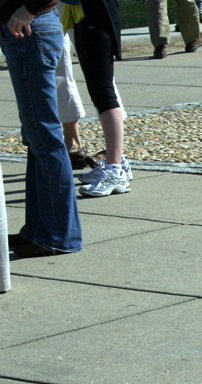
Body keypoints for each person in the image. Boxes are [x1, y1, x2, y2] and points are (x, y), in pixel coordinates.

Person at [0, 0, 82, 257]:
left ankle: (58, 236)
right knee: (36, 137)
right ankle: (39, 230)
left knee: (44, 137)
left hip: (29, 27)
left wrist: (30, 8)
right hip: (26, 28)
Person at [70, 0, 133, 198]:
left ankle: (115, 170)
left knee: (104, 94)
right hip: (84, 15)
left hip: (97, 16)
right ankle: (118, 162)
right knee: (99, 93)